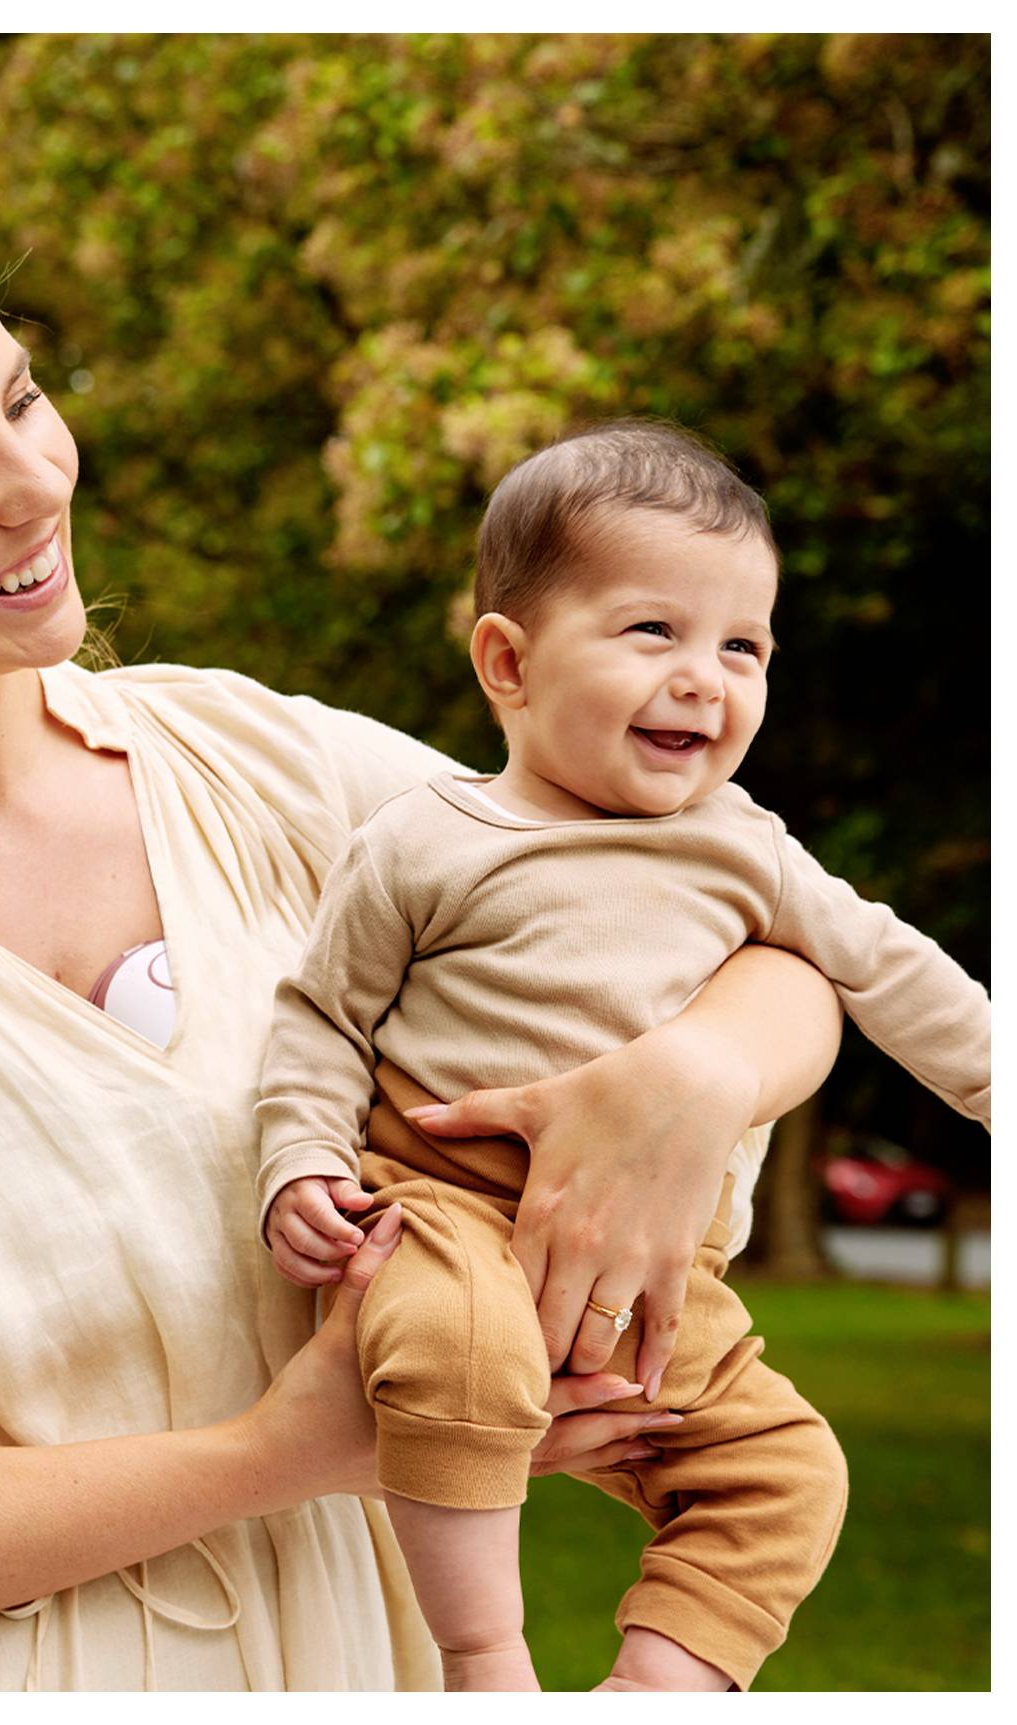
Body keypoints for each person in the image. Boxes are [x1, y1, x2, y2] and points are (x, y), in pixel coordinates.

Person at [0, 134, 845, 1693]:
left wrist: (694, 1077)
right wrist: (289, 1448)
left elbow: (750, 926)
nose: (36, 485)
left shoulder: (254, 762)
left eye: (26, 400)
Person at [257, 422, 991, 1693]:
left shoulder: (743, 847)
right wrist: (298, 1161)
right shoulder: (427, 841)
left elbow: (885, 970)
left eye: (741, 646)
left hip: (655, 1277)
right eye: (652, 632)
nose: (705, 679)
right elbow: (321, 1018)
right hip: (447, 1219)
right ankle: (485, 1663)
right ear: (509, 662)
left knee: (784, 1472)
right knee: (456, 1358)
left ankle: (654, 1690)